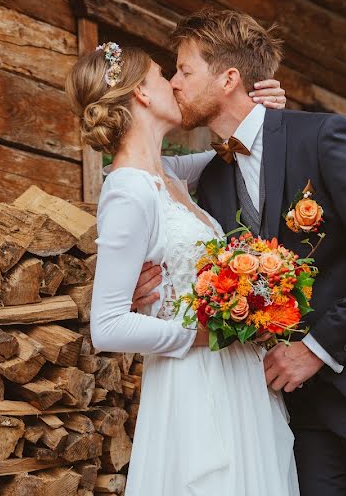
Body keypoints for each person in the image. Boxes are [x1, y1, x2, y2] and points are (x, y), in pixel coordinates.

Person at [130, 9, 346, 495]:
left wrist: (315, 349)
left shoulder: (324, 136)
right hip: (299, 402)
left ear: (228, 78)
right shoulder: (213, 178)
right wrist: (149, 293)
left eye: (184, 70)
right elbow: (148, 187)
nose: (175, 83)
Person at [66, 41, 299, 495]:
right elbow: (108, 325)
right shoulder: (128, 190)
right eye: (161, 74)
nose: (174, 83)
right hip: (193, 379)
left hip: (236, 376)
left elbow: (240, 150)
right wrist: (204, 334)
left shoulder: (172, 176)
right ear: (141, 95)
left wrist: (261, 112)